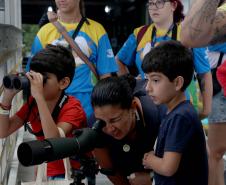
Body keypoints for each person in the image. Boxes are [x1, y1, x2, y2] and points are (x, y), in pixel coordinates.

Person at [0, 44, 87, 179]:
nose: (36, 83)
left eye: (43, 79)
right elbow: (3, 131)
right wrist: (7, 97)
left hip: (70, 174)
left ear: (63, 82)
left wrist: (39, 97)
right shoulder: (32, 104)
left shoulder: (72, 107)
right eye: (33, 77)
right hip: (44, 171)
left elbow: (54, 141)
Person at [116, 0, 212, 119]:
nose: (154, 8)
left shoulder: (189, 33)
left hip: (181, 106)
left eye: (160, 2)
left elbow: (204, 73)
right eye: (151, 3)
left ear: (173, 5)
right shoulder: (139, 33)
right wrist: (132, 84)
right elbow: (118, 60)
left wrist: (207, 110)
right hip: (147, 107)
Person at [26, 0, 118, 122]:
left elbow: (105, 77)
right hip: (54, 106)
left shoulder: (97, 30)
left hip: (90, 108)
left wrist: (104, 111)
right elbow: (33, 74)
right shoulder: (44, 32)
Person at [141, 40, 208, 185]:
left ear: (177, 83)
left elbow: (168, 167)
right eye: (147, 80)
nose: (148, 88)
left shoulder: (180, 117)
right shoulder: (177, 112)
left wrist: (150, 160)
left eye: (156, 80)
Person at [89, 75, 164, 185]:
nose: (110, 129)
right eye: (102, 122)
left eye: (115, 120)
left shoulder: (158, 114)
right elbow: (109, 170)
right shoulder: (95, 124)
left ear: (133, 106)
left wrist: (153, 178)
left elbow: (180, 164)